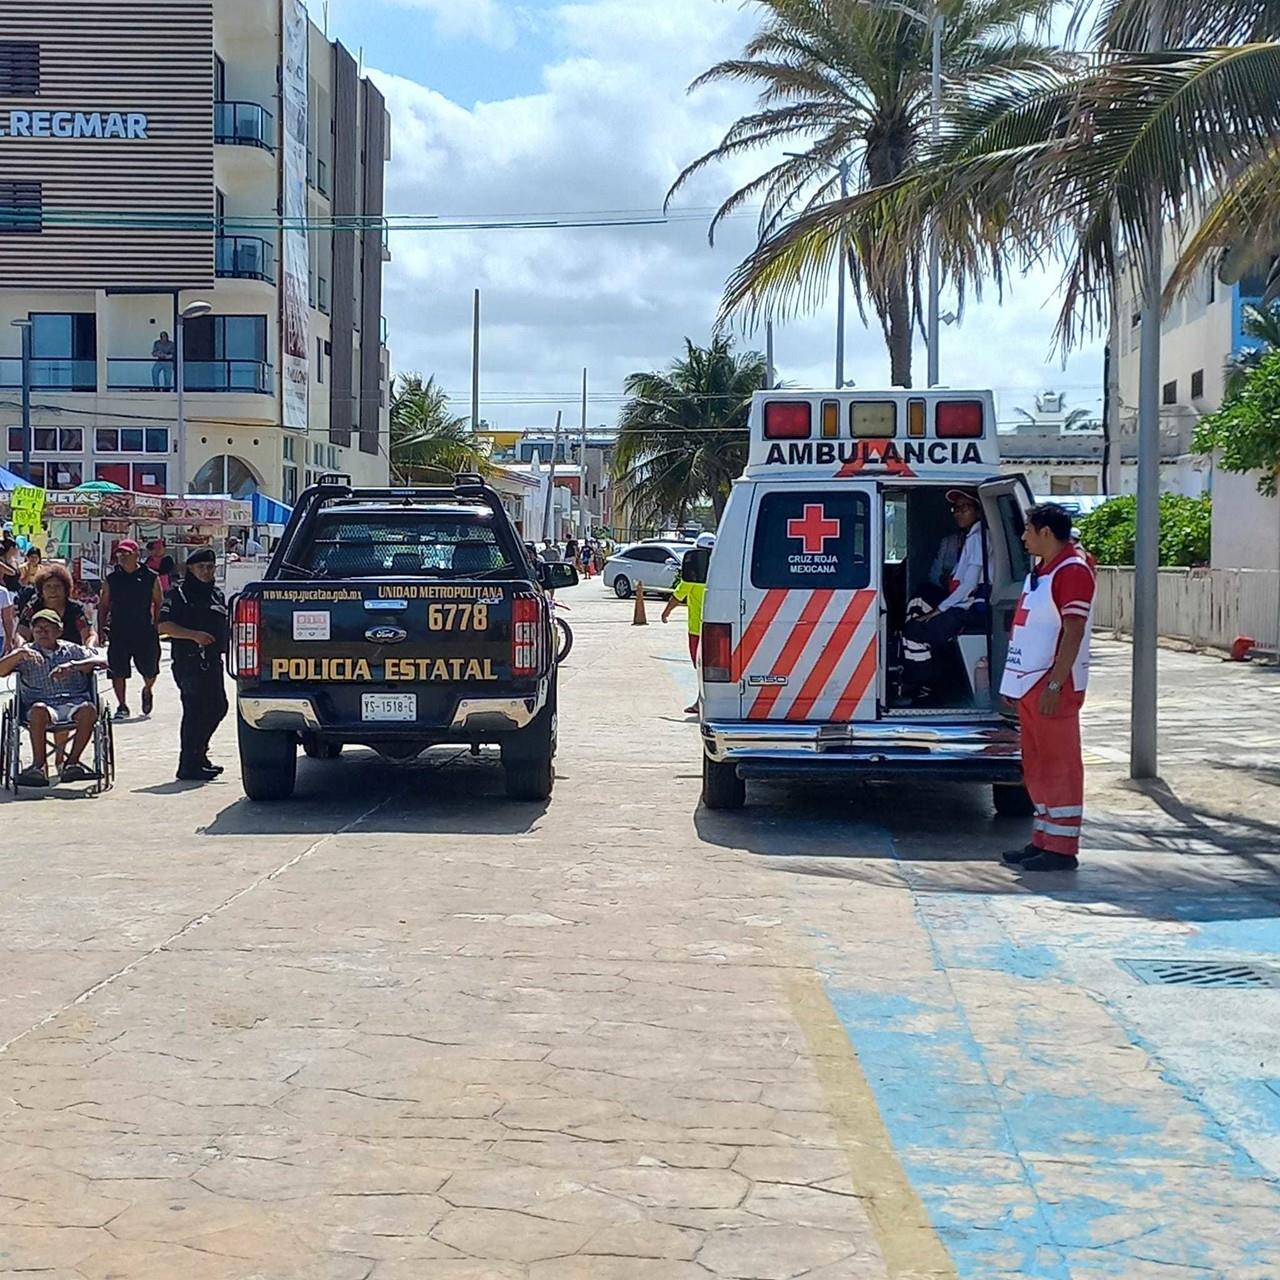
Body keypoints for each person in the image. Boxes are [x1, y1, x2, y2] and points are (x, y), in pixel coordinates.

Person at [1000, 503, 1096, 873]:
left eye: (1028, 530)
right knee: (1037, 765)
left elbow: (1073, 632)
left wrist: (1055, 684)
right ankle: (1043, 838)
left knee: (1060, 765)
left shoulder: (1072, 571)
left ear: (1045, 533)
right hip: (1030, 683)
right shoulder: (1042, 570)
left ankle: (1062, 848)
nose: (1023, 537)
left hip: (1052, 685)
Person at [0, 609, 107, 788]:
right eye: (38, 629)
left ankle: (71, 763)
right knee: (38, 710)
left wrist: (73, 666)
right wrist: (17, 655)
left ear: (59, 630)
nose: (42, 632)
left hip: (73, 702)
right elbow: (1, 671)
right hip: (41, 705)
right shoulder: (25, 652)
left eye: (47, 628)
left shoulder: (72, 650)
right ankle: (39, 766)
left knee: (89, 710)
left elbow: (103, 661)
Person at [901, 489, 991, 700]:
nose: (958, 513)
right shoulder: (970, 536)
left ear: (978, 512)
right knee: (920, 600)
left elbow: (969, 584)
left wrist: (938, 611)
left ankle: (925, 686)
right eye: (956, 509)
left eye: (965, 508)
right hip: (960, 602)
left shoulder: (978, 538)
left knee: (914, 633)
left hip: (968, 608)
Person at [158, 547, 229, 782]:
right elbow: (163, 626)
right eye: (201, 567)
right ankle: (188, 763)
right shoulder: (179, 594)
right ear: (190, 569)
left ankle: (199, 755)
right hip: (189, 660)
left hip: (212, 661)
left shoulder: (216, 594)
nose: (207, 572)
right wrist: (193, 635)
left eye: (210, 567)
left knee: (218, 707)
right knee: (195, 712)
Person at [100, 539, 163, 720]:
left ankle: (147, 689)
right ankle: (122, 705)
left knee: (150, 669)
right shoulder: (112, 579)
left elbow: (159, 601)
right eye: (119, 554)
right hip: (118, 629)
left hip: (145, 629)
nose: (122, 557)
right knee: (117, 670)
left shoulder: (150, 576)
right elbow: (103, 605)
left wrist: (157, 624)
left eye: (126, 553)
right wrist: (101, 628)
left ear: (136, 554)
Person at [662, 533, 715, 716]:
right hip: (719, 629)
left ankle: (702, 702)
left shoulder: (692, 578)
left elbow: (678, 596)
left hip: (697, 630)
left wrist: (666, 612)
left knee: (700, 667)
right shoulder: (719, 575)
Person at [19, 563, 95, 646]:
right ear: (41, 590)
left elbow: (89, 635)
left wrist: (90, 647)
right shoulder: (32, 608)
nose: (53, 590)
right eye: (48, 586)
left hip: (72, 656)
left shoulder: (76, 609)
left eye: (57, 586)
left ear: (66, 589)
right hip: (37, 655)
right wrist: (20, 647)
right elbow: (21, 634)